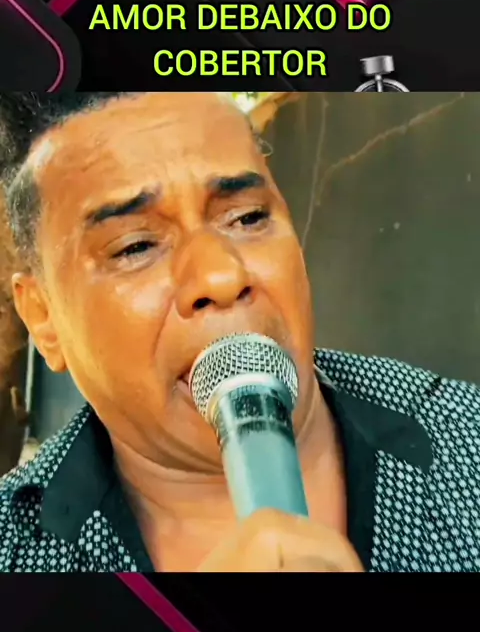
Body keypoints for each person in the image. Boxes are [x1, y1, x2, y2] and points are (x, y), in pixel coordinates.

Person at [0, 91, 479, 573]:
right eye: (135, 246)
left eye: (249, 217)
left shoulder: (465, 440)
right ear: (44, 318)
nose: (222, 276)